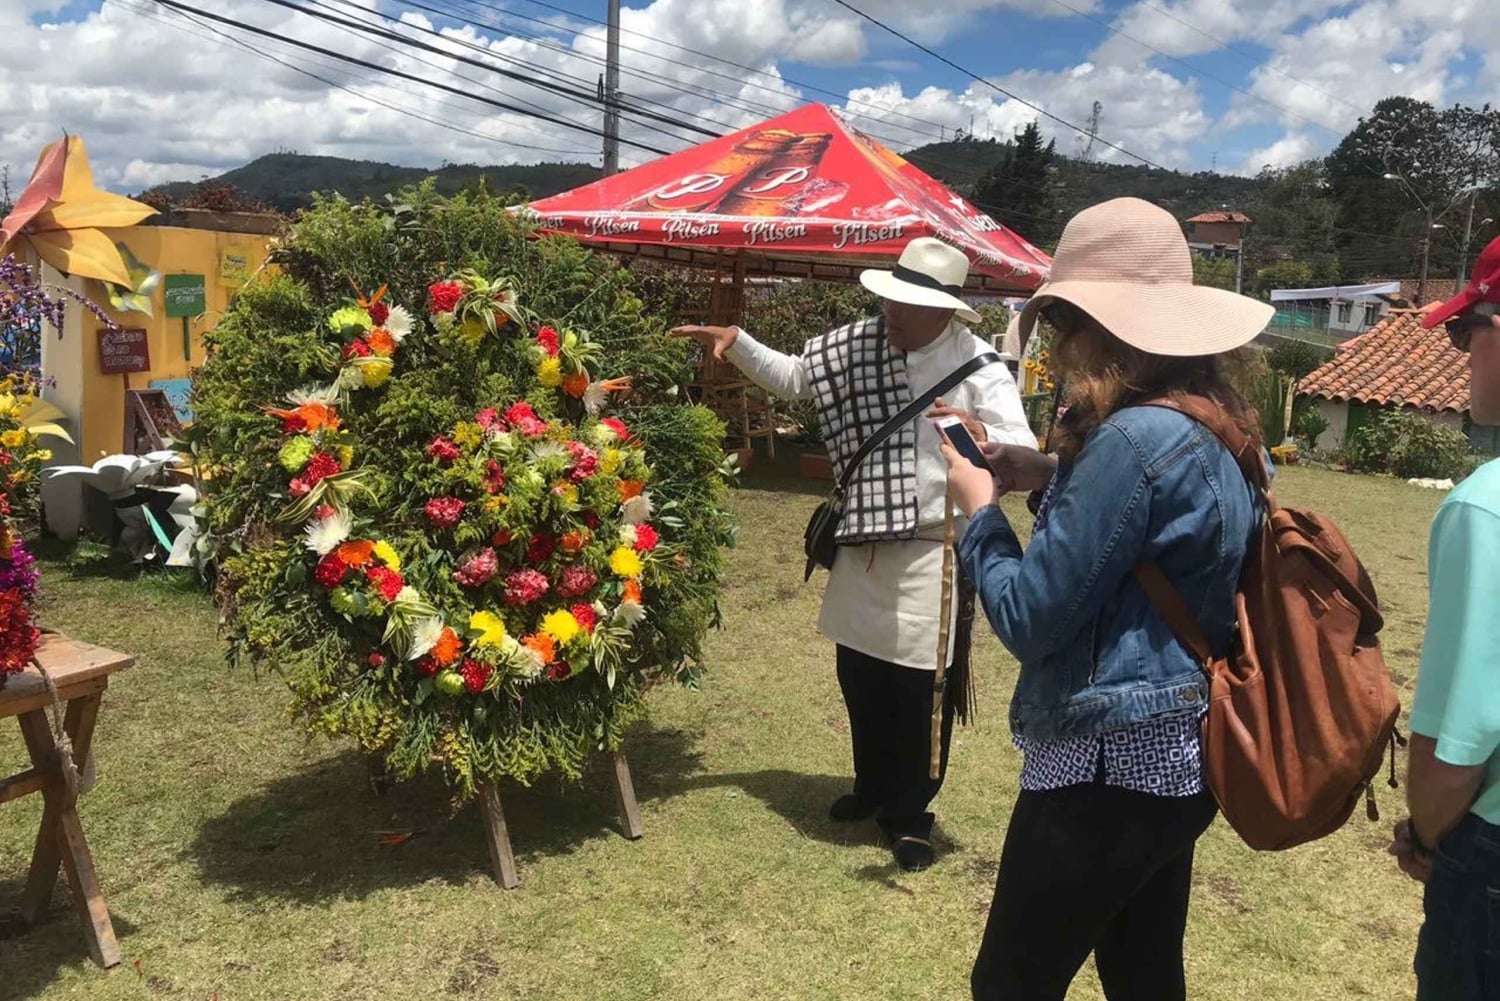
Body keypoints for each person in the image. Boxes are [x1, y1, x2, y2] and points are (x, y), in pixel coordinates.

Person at [942, 197, 1274, 1001]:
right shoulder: (1218, 422)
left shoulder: (1129, 439)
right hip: (1180, 757)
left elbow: (1028, 617)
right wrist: (1043, 472)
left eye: (1064, 325)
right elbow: (1160, 527)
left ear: (1099, 330)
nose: (1059, 347)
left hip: (1104, 763)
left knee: (1010, 983)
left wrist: (979, 509)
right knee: (1143, 971)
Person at [673, 237, 1035, 871]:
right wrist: (738, 341)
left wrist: (986, 436)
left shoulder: (981, 369)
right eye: (891, 298)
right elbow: (794, 378)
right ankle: (871, 785)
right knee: (861, 676)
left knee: (919, 691)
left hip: (933, 551)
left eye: (910, 303)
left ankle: (910, 812)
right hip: (863, 540)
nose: (892, 312)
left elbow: (1021, 448)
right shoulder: (858, 343)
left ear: (946, 310)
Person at [1388, 235, 1500, 1001]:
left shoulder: (1485, 508)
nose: (1460, 354)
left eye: (1467, 332)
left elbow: (1452, 752)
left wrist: (1428, 834)